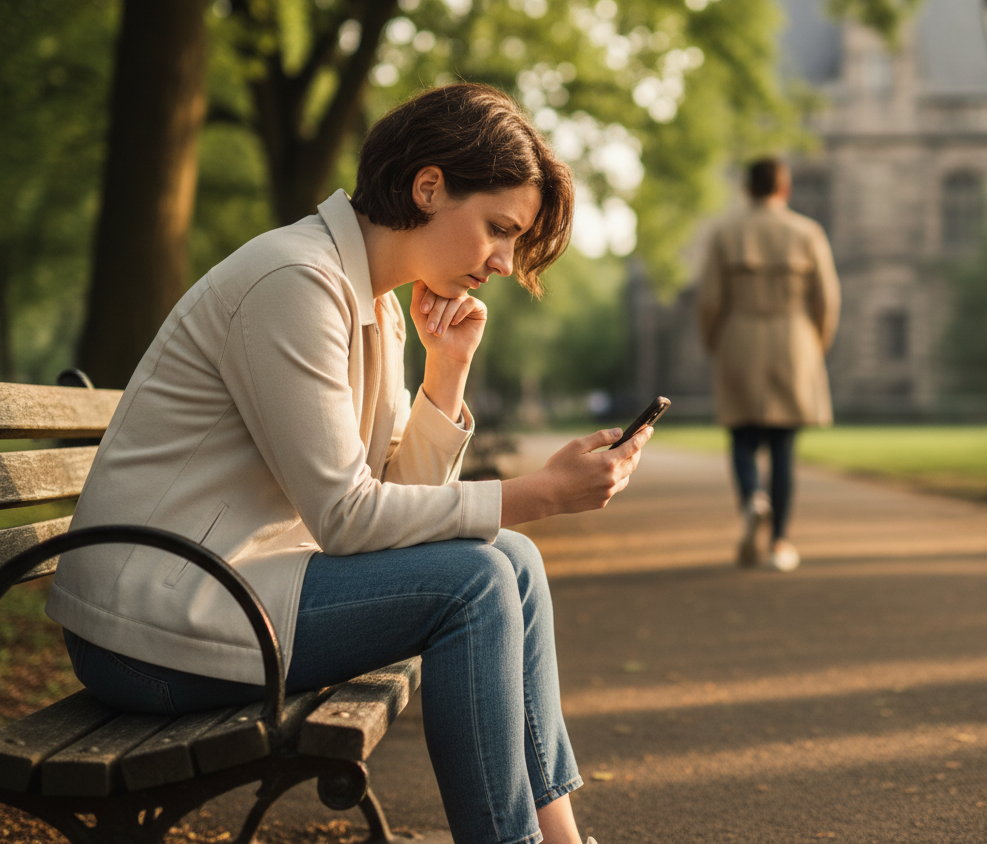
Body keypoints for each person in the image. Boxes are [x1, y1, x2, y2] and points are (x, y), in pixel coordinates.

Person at [47, 84, 649, 844]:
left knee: (514, 562)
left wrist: (445, 374)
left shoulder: (373, 300)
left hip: (232, 589)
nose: (502, 262)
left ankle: (559, 841)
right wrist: (538, 493)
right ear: (429, 186)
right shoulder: (294, 281)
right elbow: (346, 517)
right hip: (148, 629)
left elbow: (392, 504)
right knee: (476, 584)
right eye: (498, 229)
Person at [696, 157, 840, 572]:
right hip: (795, 343)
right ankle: (779, 542)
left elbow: (708, 301)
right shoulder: (808, 233)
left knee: (742, 437)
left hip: (739, 339)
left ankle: (751, 501)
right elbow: (828, 300)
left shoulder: (726, 233)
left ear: (747, 189)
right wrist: (815, 346)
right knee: (783, 446)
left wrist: (716, 344)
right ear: (785, 189)